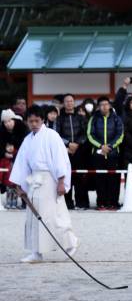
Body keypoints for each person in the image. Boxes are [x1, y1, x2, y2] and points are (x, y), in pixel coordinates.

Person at [8, 105, 79, 262]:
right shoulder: (28, 140)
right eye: (31, 121)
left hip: (49, 178)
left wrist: (61, 180)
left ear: (42, 120)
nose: (33, 124)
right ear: (27, 121)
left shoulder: (52, 136)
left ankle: (70, 242)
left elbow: (61, 158)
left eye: (37, 120)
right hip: (34, 178)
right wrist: (19, 185)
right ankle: (36, 252)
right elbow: (22, 163)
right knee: (33, 216)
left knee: (52, 215)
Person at [86, 96, 124, 211]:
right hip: (98, 154)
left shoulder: (117, 119)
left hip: (113, 154)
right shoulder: (93, 118)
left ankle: (113, 203)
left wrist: (110, 146)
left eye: (106, 104)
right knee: (100, 179)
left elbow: (120, 135)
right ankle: (101, 203)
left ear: (110, 106)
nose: (104, 106)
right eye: (101, 105)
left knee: (114, 180)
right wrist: (101, 146)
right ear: (98, 107)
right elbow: (90, 134)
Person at [55, 94, 89, 210]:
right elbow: (57, 134)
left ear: (74, 102)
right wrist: (68, 144)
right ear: (63, 103)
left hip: (79, 150)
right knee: (66, 176)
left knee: (80, 176)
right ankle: (67, 202)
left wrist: (77, 144)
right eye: (67, 101)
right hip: (65, 150)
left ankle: (82, 202)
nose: (69, 103)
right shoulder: (59, 118)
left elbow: (85, 133)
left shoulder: (80, 117)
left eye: (71, 101)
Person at [1, 108, 27, 209]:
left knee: (20, 180)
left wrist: (15, 154)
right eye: (5, 122)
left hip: (21, 158)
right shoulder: (2, 131)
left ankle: (24, 201)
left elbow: (26, 145)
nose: (8, 124)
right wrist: (4, 153)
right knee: (9, 180)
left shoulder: (22, 129)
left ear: (14, 120)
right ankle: (10, 200)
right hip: (6, 160)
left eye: (9, 121)